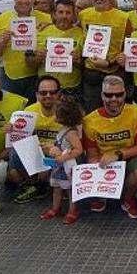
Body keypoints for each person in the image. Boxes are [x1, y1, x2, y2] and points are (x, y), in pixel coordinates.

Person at [82, 76, 137, 218]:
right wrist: (97, 174)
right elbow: (92, 154)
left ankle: (128, 198)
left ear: (125, 94)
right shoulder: (89, 120)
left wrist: (118, 154)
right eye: (108, 95)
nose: (114, 99)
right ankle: (100, 194)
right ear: (101, 95)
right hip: (103, 161)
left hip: (128, 158)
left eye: (118, 94)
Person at [0, 0, 52, 103]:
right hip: (10, 77)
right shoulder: (0, 20)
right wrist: (2, 41)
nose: (24, 1)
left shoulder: (47, 19)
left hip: (37, 75)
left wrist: (51, 26)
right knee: (11, 112)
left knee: (33, 114)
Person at [9, 76, 63, 204]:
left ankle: (52, 184)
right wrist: (11, 131)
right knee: (14, 159)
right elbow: (22, 142)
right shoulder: (29, 111)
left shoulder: (69, 112)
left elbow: (76, 145)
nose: (48, 95)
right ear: (37, 95)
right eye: (43, 93)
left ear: (59, 94)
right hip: (39, 155)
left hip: (60, 155)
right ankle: (37, 185)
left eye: (53, 92)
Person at [79, 0, 132, 111]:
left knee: (115, 111)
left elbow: (130, 46)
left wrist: (112, 62)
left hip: (113, 71)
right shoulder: (83, 15)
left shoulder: (123, 17)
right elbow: (64, 24)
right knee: (92, 113)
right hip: (91, 73)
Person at [29, 0, 85, 101]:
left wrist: (78, 61)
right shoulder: (41, 31)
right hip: (46, 90)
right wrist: (37, 59)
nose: (64, 16)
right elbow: (30, 63)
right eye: (61, 12)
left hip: (71, 89)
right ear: (54, 14)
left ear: (73, 15)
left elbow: (86, 65)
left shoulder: (81, 34)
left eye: (68, 13)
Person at [40, 96, 85, 225]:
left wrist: (62, 157)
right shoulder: (63, 130)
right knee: (57, 187)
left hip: (68, 166)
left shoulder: (71, 133)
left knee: (71, 189)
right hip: (60, 165)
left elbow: (78, 149)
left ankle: (72, 210)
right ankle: (56, 208)